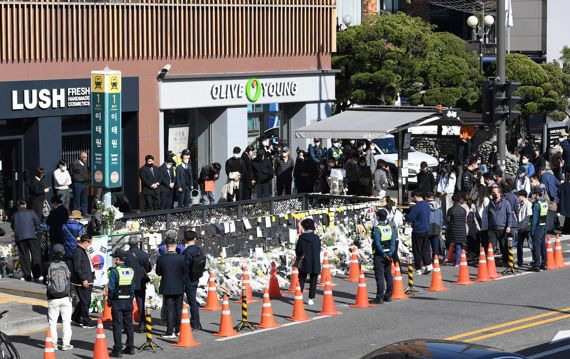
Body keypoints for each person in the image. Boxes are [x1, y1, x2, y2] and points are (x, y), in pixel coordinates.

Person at [156, 230, 187, 339]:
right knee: (178, 308)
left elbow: (158, 273)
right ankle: (178, 329)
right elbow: (185, 271)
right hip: (179, 286)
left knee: (169, 309)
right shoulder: (182, 258)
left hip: (167, 286)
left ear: (166, 246)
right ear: (176, 244)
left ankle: (170, 331)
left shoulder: (161, 258)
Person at [107, 250, 135, 357]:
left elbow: (111, 288)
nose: (114, 260)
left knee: (117, 325)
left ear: (118, 259)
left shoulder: (114, 271)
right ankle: (130, 347)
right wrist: (130, 298)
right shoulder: (130, 270)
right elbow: (132, 287)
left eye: (115, 258)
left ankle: (118, 350)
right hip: (128, 301)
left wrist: (110, 301)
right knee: (128, 324)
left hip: (117, 301)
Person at [46, 244, 73, 351]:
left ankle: (54, 344)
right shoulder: (67, 264)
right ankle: (66, 344)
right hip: (66, 296)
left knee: (53, 322)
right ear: (63, 253)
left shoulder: (48, 265)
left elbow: (46, 281)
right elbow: (70, 278)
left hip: (53, 297)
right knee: (66, 321)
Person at [124, 236, 151, 333]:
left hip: (127, 282)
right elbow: (148, 268)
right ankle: (141, 325)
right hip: (140, 281)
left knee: (127, 305)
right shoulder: (143, 254)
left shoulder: (125, 254)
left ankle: (127, 325)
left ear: (129, 243)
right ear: (137, 243)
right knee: (140, 304)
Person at [11, 200, 41, 281]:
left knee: (24, 256)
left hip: (20, 237)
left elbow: (12, 226)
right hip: (31, 235)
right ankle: (36, 274)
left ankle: (27, 275)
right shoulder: (31, 212)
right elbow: (37, 222)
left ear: (18, 206)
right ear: (25, 205)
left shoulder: (14, 214)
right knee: (35, 255)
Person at [371, 209, 396, 304]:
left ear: (378, 217)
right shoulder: (390, 227)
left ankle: (379, 297)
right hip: (389, 254)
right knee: (388, 275)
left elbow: (377, 243)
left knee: (380, 276)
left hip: (380, 255)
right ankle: (388, 296)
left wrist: (383, 254)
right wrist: (389, 253)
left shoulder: (377, 229)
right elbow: (393, 242)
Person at [182, 229, 205, 330]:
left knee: (191, 301)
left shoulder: (187, 252)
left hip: (188, 279)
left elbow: (184, 267)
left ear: (185, 240)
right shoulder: (199, 249)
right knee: (192, 300)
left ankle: (195, 323)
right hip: (196, 277)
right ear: (195, 239)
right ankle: (196, 322)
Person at [295, 218, 321, 306]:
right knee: (313, 279)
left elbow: (298, 250)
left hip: (305, 261)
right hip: (315, 261)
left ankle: (300, 295)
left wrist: (300, 255)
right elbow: (319, 249)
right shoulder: (316, 237)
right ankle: (311, 298)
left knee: (302, 279)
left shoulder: (301, 237)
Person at [71, 236, 95, 329]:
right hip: (82, 281)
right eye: (89, 243)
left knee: (84, 300)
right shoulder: (78, 252)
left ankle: (76, 317)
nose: (89, 246)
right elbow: (78, 267)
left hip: (88, 278)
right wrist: (84, 279)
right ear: (85, 242)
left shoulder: (83, 251)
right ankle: (86, 321)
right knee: (86, 301)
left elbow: (82, 264)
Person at [405, 191, 432, 274]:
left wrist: (406, 214)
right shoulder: (427, 205)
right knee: (425, 248)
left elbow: (410, 218)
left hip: (417, 230)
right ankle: (428, 265)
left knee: (417, 250)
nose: (413, 199)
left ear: (416, 196)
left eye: (413, 197)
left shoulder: (416, 207)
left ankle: (418, 268)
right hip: (426, 229)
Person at [486, 186, 513, 266]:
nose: (493, 194)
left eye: (495, 192)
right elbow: (488, 215)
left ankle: (506, 261)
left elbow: (509, 215)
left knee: (503, 246)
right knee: (491, 246)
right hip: (492, 228)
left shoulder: (506, 203)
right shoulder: (491, 203)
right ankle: (490, 262)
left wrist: (509, 226)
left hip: (502, 227)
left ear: (499, 193)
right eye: (492, 192)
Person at [529, 188, 548, 271]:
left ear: (537, 194)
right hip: (543, 226)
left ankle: (536, 265)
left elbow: (535, 218)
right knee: (543, 246)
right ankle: (544, 263)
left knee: (536, 246)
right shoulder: (544, 202)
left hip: (537, 227)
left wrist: (532, 230)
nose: (533, 195)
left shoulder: (536, 204)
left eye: (534, 194)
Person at [446, 193, 467, 266]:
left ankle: (457, 261)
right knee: (459, 245)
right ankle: (459, 260)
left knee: (456, 245)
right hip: (462, 229)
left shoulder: (450, 210)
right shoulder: (463, 210)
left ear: (452, 200)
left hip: (453, 229)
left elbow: (447, 221)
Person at [516, 190, 533, 267]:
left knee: (531, 245)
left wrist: (523, 227)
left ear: (522, 196)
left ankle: (534, 260)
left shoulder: (528, 204)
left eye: (518, 196)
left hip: (527, 229)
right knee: (519, 245)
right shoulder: (520, 204)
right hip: (520, 228)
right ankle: (520, 261)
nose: (517, 198)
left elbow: (528, 217)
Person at [462, 191, 481, 258]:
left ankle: (471, 255)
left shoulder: (463, 207)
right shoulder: (472, 205)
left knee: (469, 241)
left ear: (463, 199)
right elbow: (475, 216)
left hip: (467, 225)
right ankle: (477, 254)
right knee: (475, 240)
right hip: (474, 225)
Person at [426, 192, 443, 260]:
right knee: (435, 243)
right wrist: (440, 228)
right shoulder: (438, 206)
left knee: (427, 244)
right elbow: (441, 218)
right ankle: (435, 257)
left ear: (427, 197)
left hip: (428, 226)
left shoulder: (426, 205)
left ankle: (427, 258)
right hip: (437, 226)